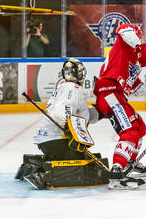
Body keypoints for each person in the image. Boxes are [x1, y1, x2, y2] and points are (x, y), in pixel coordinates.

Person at [93, 23, 146, 190]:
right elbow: (124, 29)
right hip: (108, 91)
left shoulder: (133, 62)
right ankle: (116, 172)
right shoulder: (123, 43)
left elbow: (135, 86)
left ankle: (130, 163)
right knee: (129, 130)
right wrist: (140, 47)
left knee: (139, 127)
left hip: (117, 94)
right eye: (139, 37)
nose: (140, 39)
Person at [23, 58, 104, 189]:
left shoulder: (64, 87)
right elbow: (62, 112)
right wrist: (69, 128)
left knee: (79, 154)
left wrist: (100, 113)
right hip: (56, 140)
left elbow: (83, 114)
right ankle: (43, 176)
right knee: (80, 161)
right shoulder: (73, 88)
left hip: (47, 140)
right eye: (80, 72)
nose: (82, 74)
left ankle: (33, 166)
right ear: (76, 74)